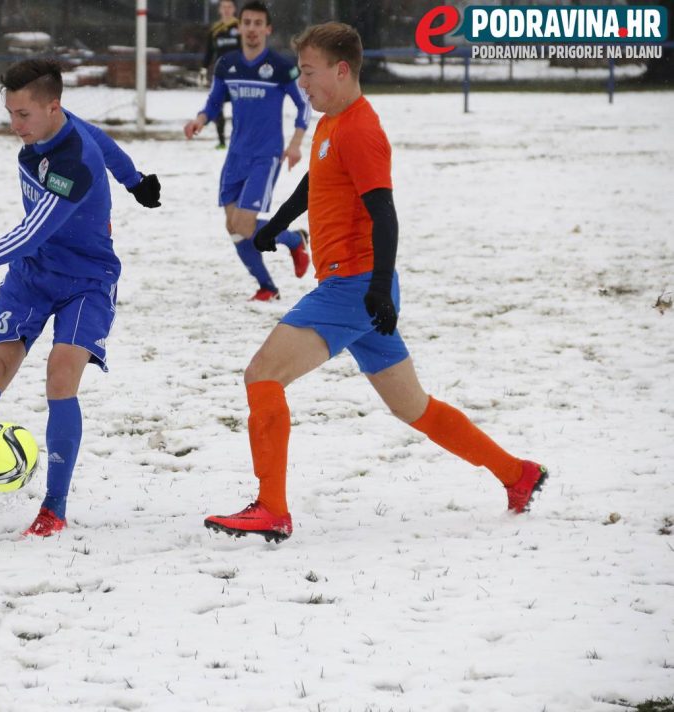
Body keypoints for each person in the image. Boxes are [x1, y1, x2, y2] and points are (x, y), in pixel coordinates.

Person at [204, 22, 548, 543]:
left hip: (355, 288)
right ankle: (517, 474)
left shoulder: (362, 129)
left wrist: (379, 287)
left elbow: (384, 214)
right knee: (415, 407)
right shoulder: (331, 121)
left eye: (311, 73)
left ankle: (271, 509)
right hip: (362, 291)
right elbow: (316, 180)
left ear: (342, 71)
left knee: (262, 375)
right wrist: (275, 226)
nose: (303, 83)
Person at [0, 58, 161, 537]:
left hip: (86, 280)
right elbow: (105, 141)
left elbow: (29, 235)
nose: (14, 125)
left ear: (52, 107)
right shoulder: (59, 127)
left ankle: (53, 509)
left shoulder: (72, 166)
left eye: (23, 115)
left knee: (60, 375)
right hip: (32, 277)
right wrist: (134, 180)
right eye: (10, 113)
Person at [185, 0, 312, 302]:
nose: (252, 29)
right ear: (238, 26)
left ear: (267, 29)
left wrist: (295, 144)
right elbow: (214, 102)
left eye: (258, 24)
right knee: (234, 228)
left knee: (244, 224)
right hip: (236, 155)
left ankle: (294, 240)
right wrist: (200, 120)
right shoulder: (227, 64)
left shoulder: (280, 67)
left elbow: (304, 107)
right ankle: (268, 286)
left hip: (265, 156)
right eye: (247, 23)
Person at [201, 0, 241, 149]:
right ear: (219, 10)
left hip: (238, 75)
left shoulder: (240, 27)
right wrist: (204, 68)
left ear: (234, 9)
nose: (226, 10)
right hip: (221, 75)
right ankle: (222, 141)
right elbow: (209, 52)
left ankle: (238, 140)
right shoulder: (215, 30)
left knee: (239, 109)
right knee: (217, 107)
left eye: (229, 7)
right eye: (223, 7)